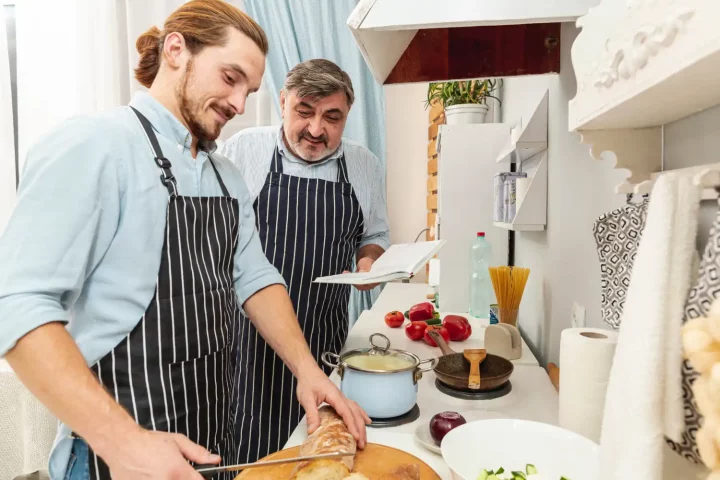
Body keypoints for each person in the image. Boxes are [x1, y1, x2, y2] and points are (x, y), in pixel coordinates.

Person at [0, 3, 368, 480]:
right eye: (230, 77)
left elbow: (254, 277)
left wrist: (307, 370)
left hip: (212, 444)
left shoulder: (226, 175)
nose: (239, 104)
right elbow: (18, 303)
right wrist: (125, 443)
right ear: (176, 49)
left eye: (249, 91)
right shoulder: (95, 145)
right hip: (119, 455)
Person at [219, 59, 390, 463]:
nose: (316, 130)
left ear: (347, 117)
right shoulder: (243, 150)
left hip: (324, 338)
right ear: (282, 101)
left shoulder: (363, 165)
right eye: (304, 112)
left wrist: (369, 264)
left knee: (319, 450)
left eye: (332, 118)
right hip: (246, 344)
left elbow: (375, 236)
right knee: (247, 453)